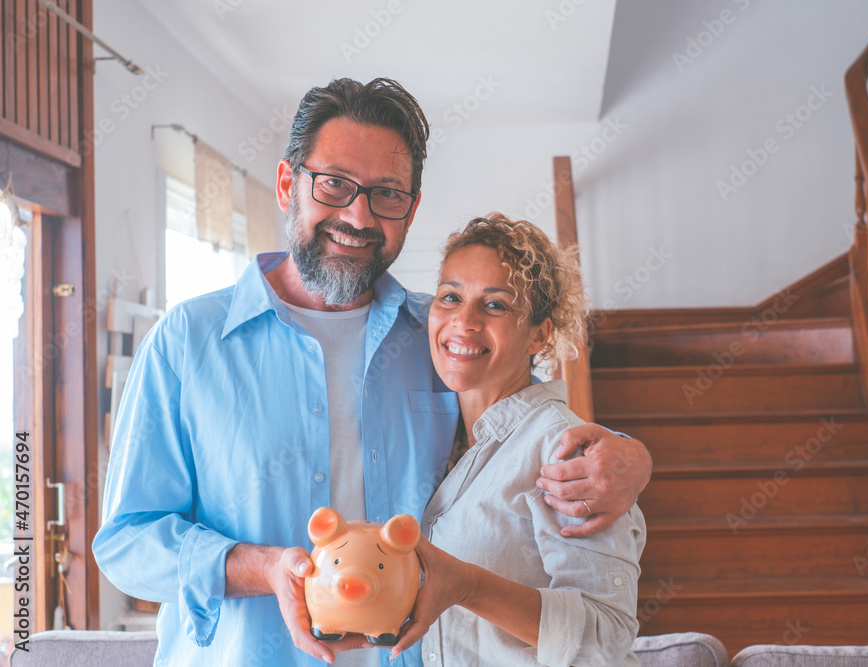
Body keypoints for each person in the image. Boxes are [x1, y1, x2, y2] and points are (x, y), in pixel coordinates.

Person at [93, 78, 652, 667]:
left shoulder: (440, 340)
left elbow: (531, 434)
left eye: (385, 193)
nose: (357, 215)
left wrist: (633, 459)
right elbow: (128, 544)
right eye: (334, 183)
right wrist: (266, 568)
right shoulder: (187, 341)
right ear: (289, 184)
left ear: (410, 209)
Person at [388, 214, 645, 666]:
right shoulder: (436, 439)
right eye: (451, 297)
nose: (463, 321)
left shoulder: (564, 451)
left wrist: (469, 586)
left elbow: (607, 634)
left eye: (496, 305)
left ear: (538, 335)